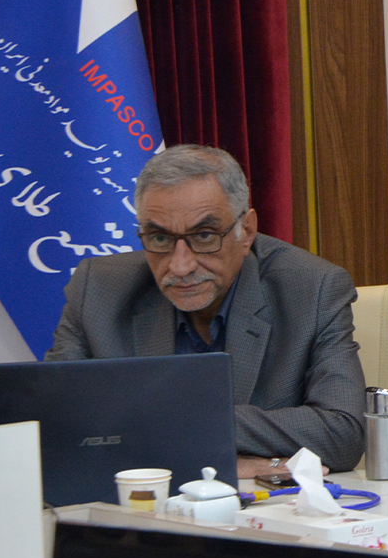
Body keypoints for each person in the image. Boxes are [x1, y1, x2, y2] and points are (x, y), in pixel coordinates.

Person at [47, 144, 367, 474]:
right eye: (159, 239)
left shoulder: (312, 289)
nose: (180, 265)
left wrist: (165, 427)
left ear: (247, 231)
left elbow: (342, 433)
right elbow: (53, 422)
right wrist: (211, 457)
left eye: (204, 236)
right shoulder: (97, 290)